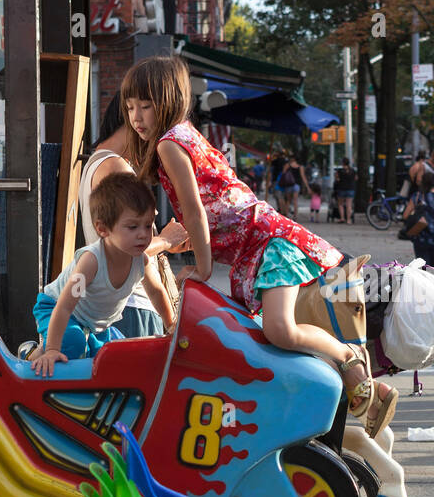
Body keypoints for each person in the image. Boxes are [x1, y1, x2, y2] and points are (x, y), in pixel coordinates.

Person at [120, 55, 398, 437]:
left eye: (145, 105)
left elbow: (198, 212)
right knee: (265, 334)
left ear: (168, 100)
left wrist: (201, 268)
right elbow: (207, 207)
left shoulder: (170, 144)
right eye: (130, 107)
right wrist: (172, 240)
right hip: (259, 244)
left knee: (279, 332)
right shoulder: (181, 135)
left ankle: (348, 358)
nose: (137, 116)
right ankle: (357, 387)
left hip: (268, 243)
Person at [31, 173, 171, 377]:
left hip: (94, 324)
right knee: (72, 343)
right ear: (103, 229)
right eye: (132, 227)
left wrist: (171, 325)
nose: (143, 234)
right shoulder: (92, 262)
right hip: (56, 309)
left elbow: (156, 292)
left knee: (108, 360)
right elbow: (65, 305)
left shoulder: (142, 261)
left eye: (148, 225)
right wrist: (53, 348)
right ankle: (33, 357)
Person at [80, 91, 189, 334]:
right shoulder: (115, 166)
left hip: (123, 306)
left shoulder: (97, 162)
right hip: (132, 308)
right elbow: (118, 253)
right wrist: (164, 239)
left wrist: (166, 245)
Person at [335, 158, 357, 223]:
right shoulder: (353, 170)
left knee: (340, 204)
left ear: (343, 163)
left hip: (341, 188)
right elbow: (356, 178)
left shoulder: (340, 171)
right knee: (349, 205)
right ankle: (348, 220)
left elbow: (337, 179)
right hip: (350, 189)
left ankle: (342, 218)